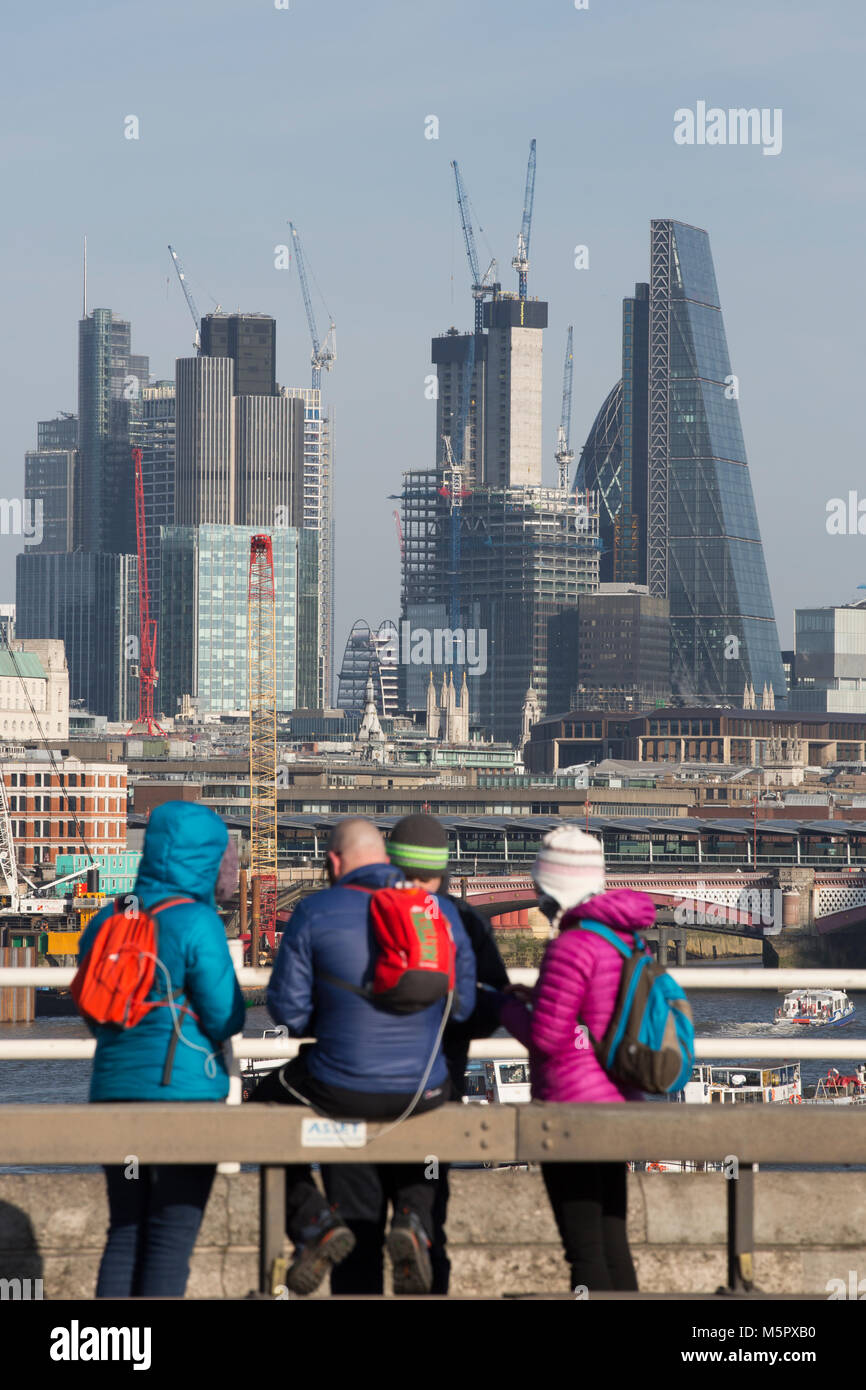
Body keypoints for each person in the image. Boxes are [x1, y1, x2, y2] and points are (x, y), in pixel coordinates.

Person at [252, 817, 476, 1296]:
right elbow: (465, 1007)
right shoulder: (439, 910)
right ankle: (414, 1218)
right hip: (425, 1090)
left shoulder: (315, 911)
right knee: (424, 1131)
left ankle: (315, 1221)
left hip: (341, 1092)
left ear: (334, 862)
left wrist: (335, 1028)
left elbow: (288, 1011)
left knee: (261, 1104)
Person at [322, 813, 508, 1295]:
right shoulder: (462, 919)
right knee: (427, 1226)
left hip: (350, 1097)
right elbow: (487, 1007)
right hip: (434, 1092)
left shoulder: (349, 910)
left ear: (389, 860)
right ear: (444, 868)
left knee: (357, 1237)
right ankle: (415, 1232)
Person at [78, 801, 246, 1298]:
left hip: (113, 1096)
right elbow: (225, 1015)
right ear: (209, 859)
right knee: (170, 1240)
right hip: (185, 1099)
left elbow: (91, 1005)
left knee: (125, 1230)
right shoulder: (197, 922)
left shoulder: (109, 918)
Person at [501, 825, 654, 1292]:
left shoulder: (570, 945)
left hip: (570, 1111)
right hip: (618, 1104)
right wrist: (537, 996)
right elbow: (597, 1010)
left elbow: (548, 1038)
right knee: (613, 1238)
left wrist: (502, 1004)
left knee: (583, 1250)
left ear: (551, 888)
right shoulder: (626, 939)